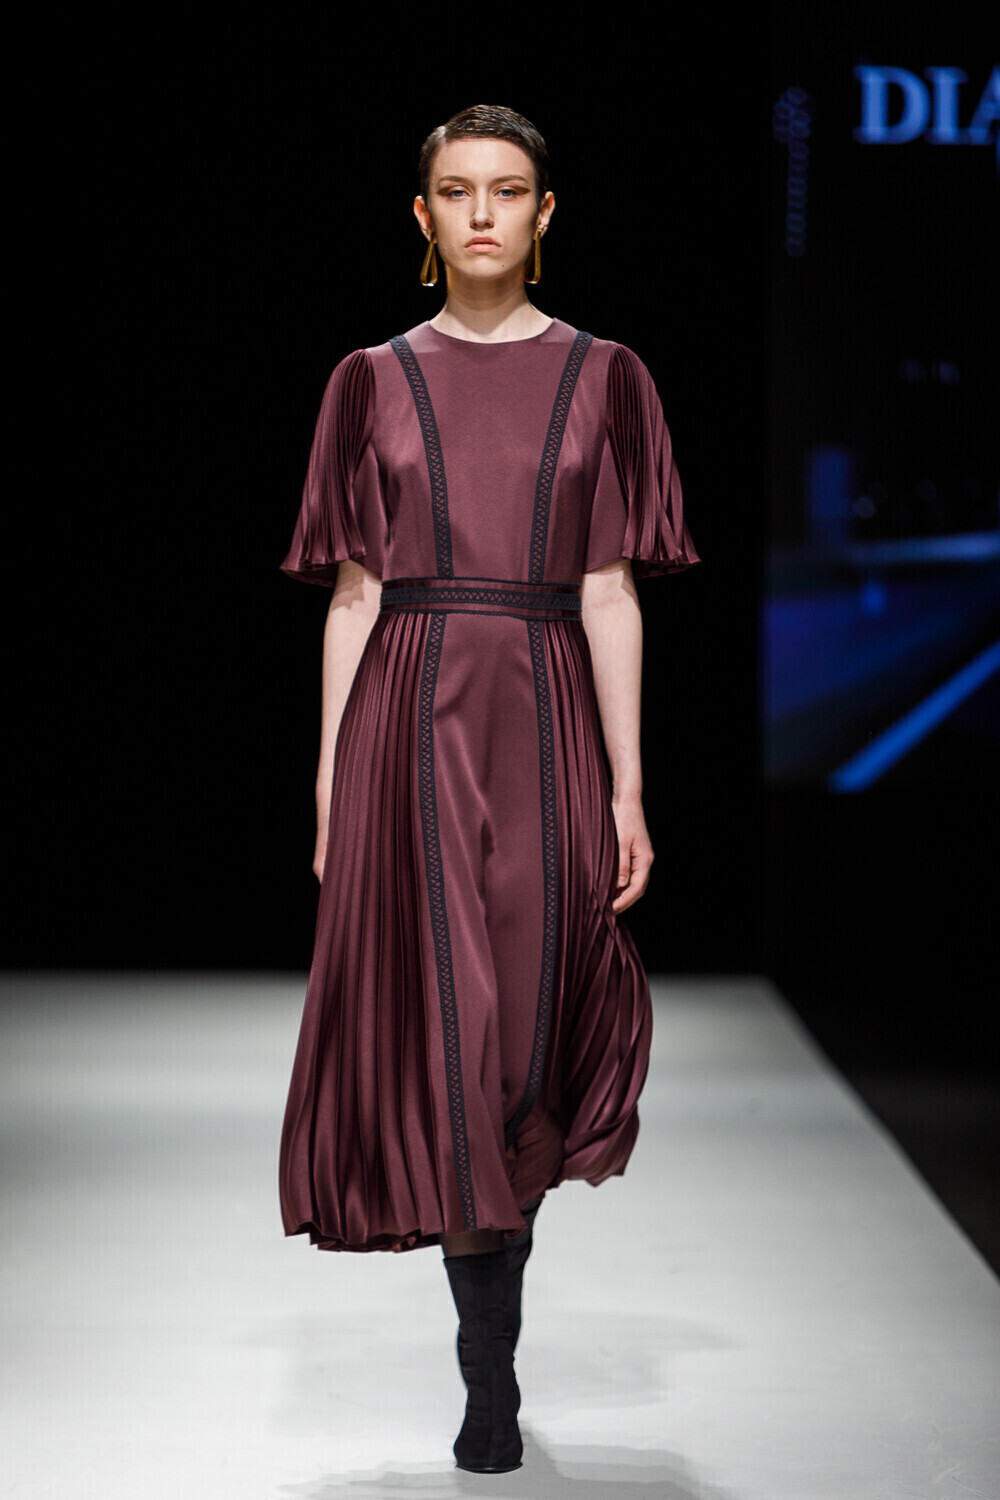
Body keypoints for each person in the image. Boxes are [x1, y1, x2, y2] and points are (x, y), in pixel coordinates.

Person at [277, 103, 701, 1474]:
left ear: (544, 213)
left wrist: (630, 789)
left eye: (506, 191)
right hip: (407, 719)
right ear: (421, 216)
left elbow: (611, 589)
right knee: (454, 1040)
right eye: (455, 192)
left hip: (545, 712)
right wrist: (330, 779)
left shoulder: (608, 377)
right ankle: (489, 1380)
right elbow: (351, 595)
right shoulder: (368, 381)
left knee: (526, 1036)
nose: (480, 214)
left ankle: (493, 1330)